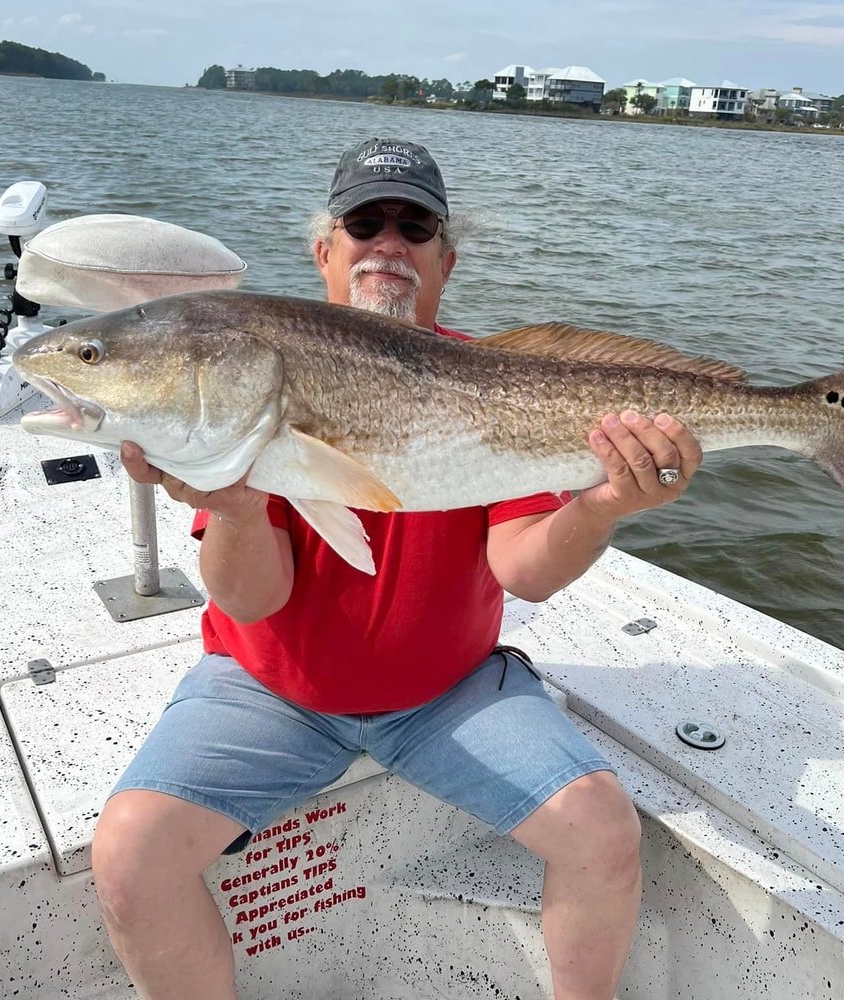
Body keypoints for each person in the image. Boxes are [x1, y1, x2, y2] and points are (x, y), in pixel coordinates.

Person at [91, 137, 703, 1000]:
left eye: (415, 227)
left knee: (602, 832)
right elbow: (252, 599)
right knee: (128, 854)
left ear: (447, 260)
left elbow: (523, 571)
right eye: (364, 224)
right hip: (271, 692)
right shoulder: (251, 368)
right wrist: (236, 507)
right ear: (324, 251)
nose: (388, 243)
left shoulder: (500, 381)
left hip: (448, 694)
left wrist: (602, 506)